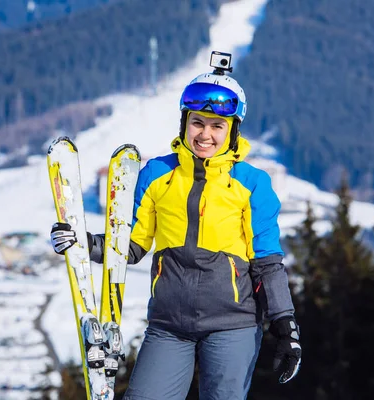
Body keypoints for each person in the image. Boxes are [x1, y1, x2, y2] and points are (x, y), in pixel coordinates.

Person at [50, 53, 301, 399]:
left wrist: (284, 324)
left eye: (217, 126)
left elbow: (267, 261)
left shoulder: (252, 183)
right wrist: (81, 243)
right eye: (197, 122)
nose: (205, 135)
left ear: (232, 131)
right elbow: (132, 244)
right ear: (184, 122)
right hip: (169, 325)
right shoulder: (157, 175)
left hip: (233, 324)